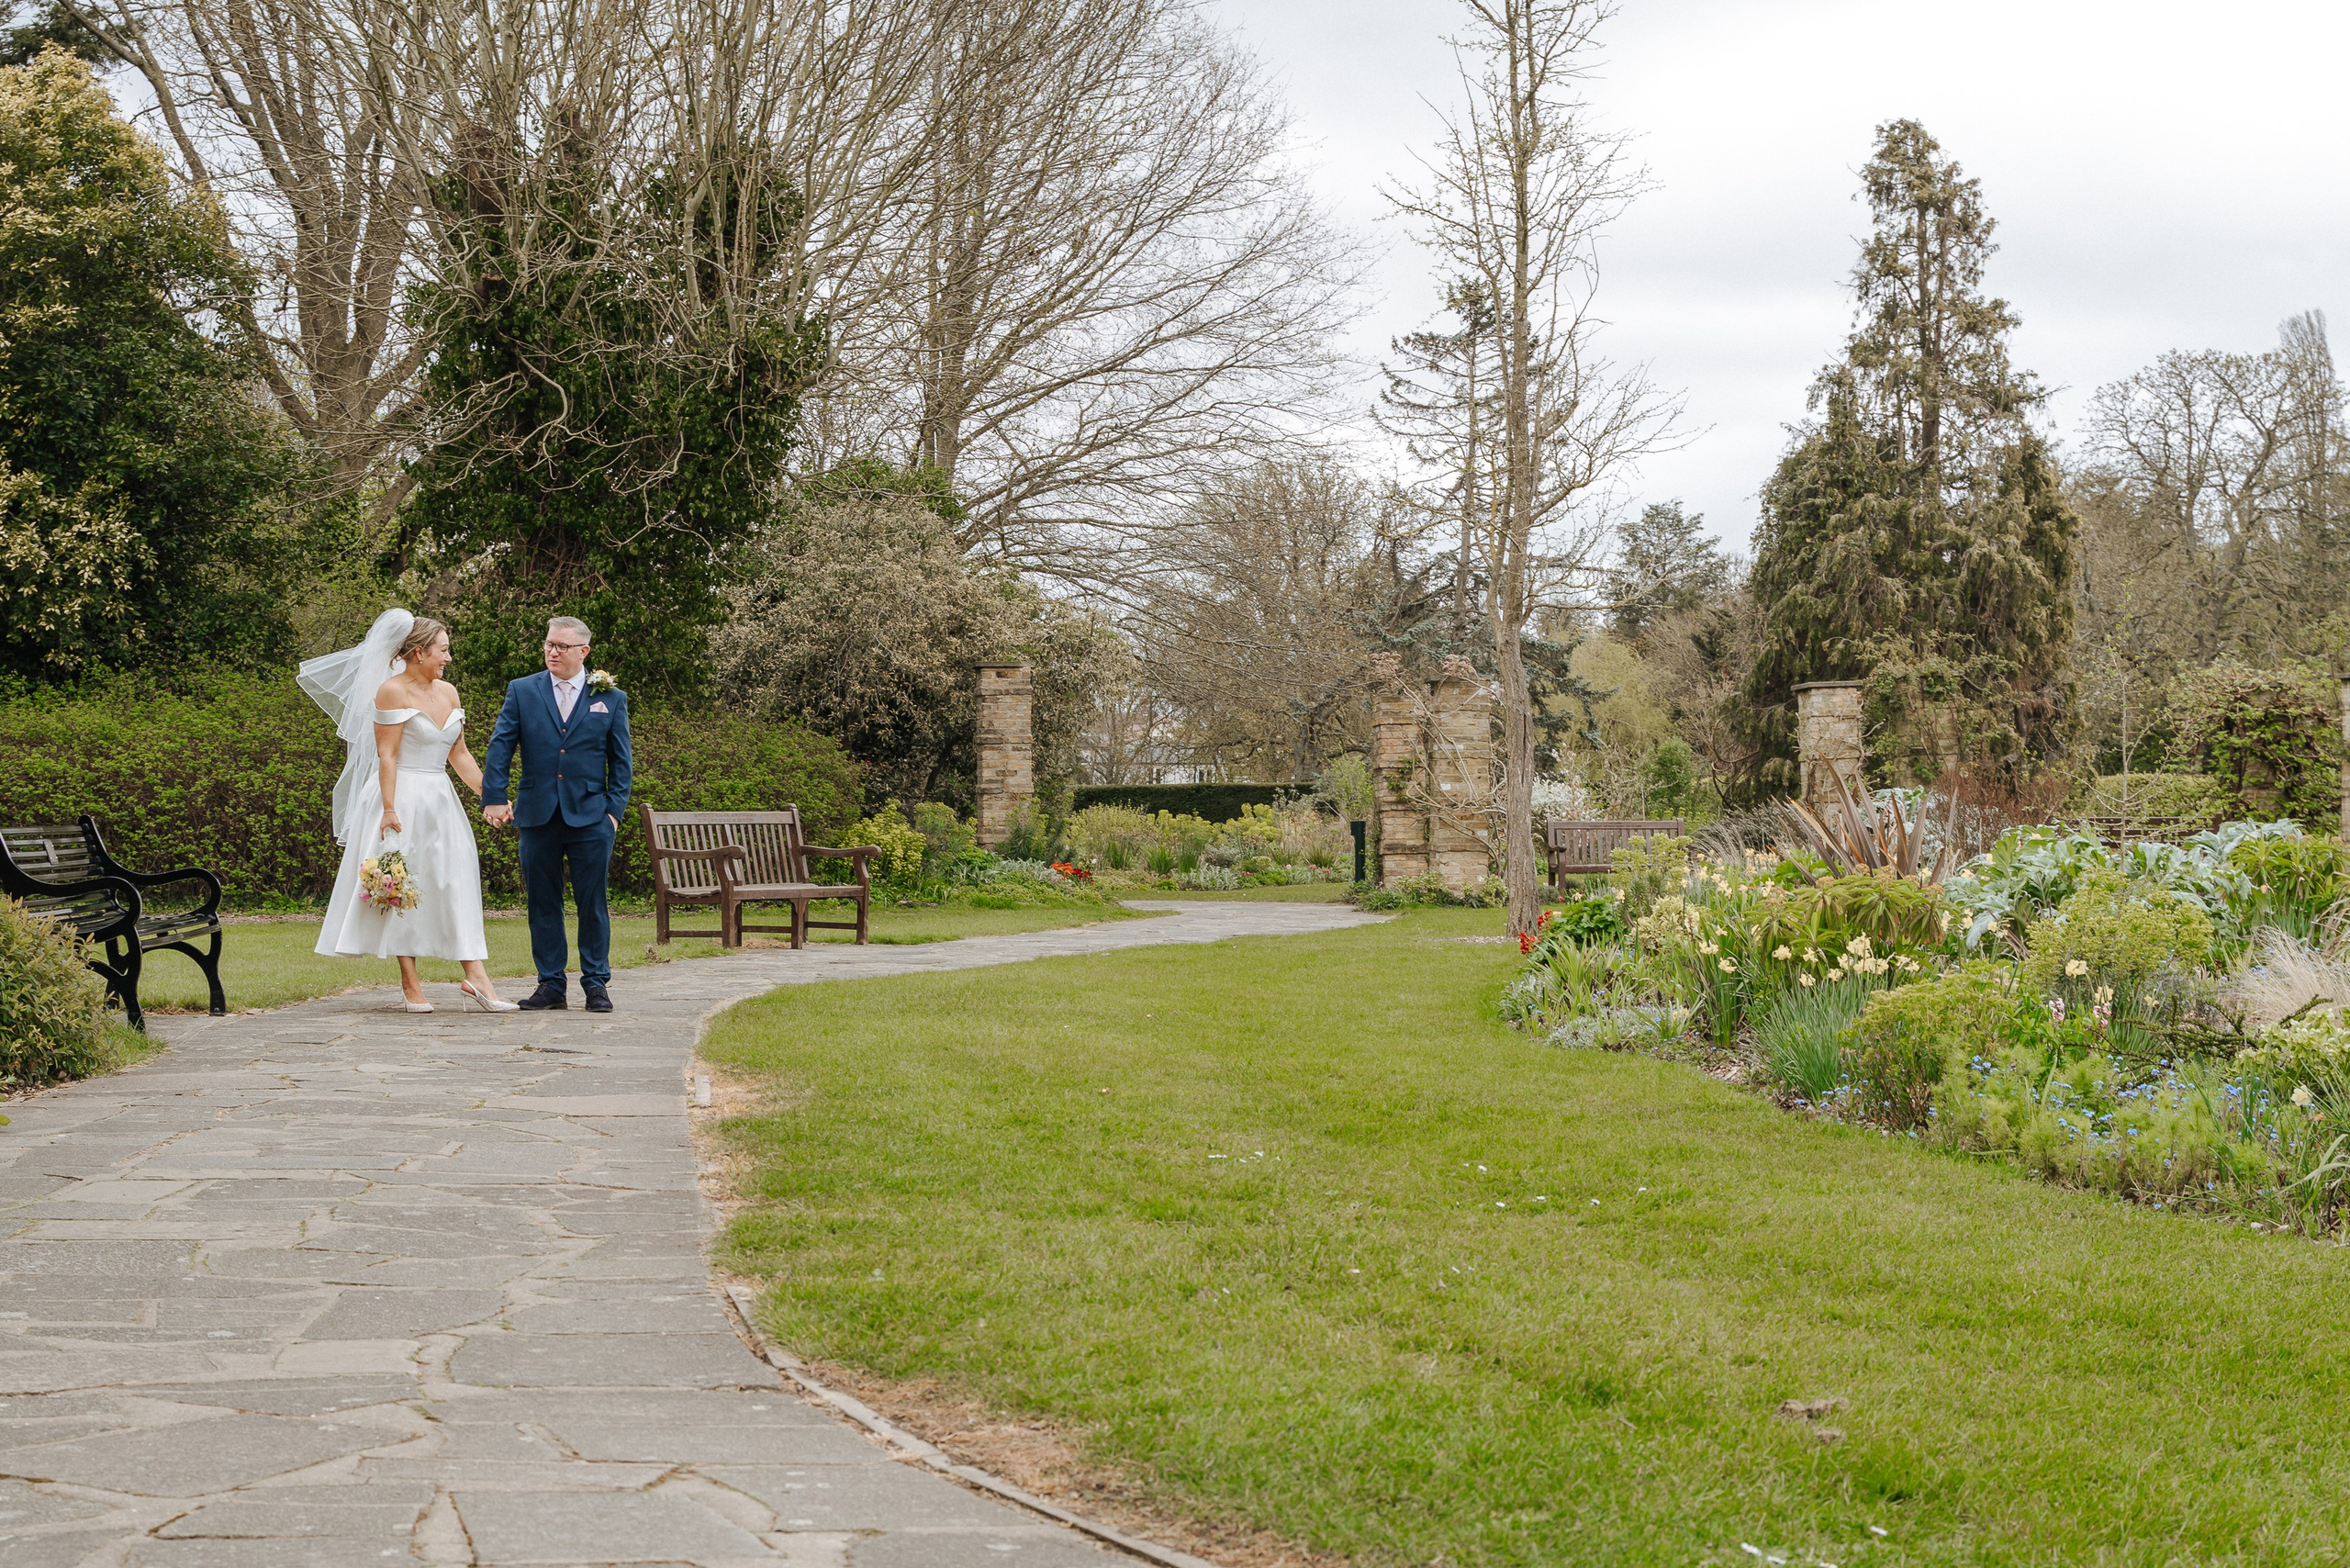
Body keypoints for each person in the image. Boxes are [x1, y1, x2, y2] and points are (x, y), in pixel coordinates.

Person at [299, 610, 519, 1013]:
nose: (448, 658)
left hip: (440, 798)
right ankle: (410, 981)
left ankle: (476, 976)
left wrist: (491, 796)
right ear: (419, 652)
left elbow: (459, 753)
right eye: (443, 650)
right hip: (399, 797)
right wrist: (388, 809)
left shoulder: (449, 693)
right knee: (401, 885)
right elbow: (387, 754)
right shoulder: (391, 691)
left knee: (455, 878)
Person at [480, 616, 632, 1013]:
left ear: (584, 651)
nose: (553, 652)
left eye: (562, 646)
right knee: (542, 902)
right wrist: (493, 796)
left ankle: (596, 983)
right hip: (537, 813)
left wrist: (612, 813)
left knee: (592, 902)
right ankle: (550, 985)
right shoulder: (523, 690)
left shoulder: (611, 697)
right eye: (549, 644)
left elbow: (621, 762)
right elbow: (501, 746)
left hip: (591, 817)